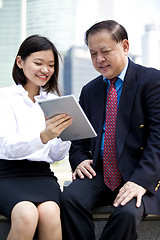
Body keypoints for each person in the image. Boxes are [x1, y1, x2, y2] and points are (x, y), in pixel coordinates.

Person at [61, 20, 160, 240]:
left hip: (143, 173)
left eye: (105, 51)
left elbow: (158, 138)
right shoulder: (90, 90)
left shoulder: (152, 81)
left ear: (125, 46)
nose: (99, 59)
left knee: (126, 213)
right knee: (70, 199)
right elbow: (78, 139)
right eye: (93, 53)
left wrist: (140, 181)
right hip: (103, 173)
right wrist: (79, 160)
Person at [0, 34, 73, 240]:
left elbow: (56, 156)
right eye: (38, 63)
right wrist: (43, 136)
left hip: (41, 174)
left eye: (50, 65)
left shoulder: (54, 101)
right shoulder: (4, 98)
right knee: (26, 214)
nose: (45, 70)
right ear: (20, 62)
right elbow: (7, 147)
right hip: (7, 174)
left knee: (50, 213)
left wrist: (65, 134)